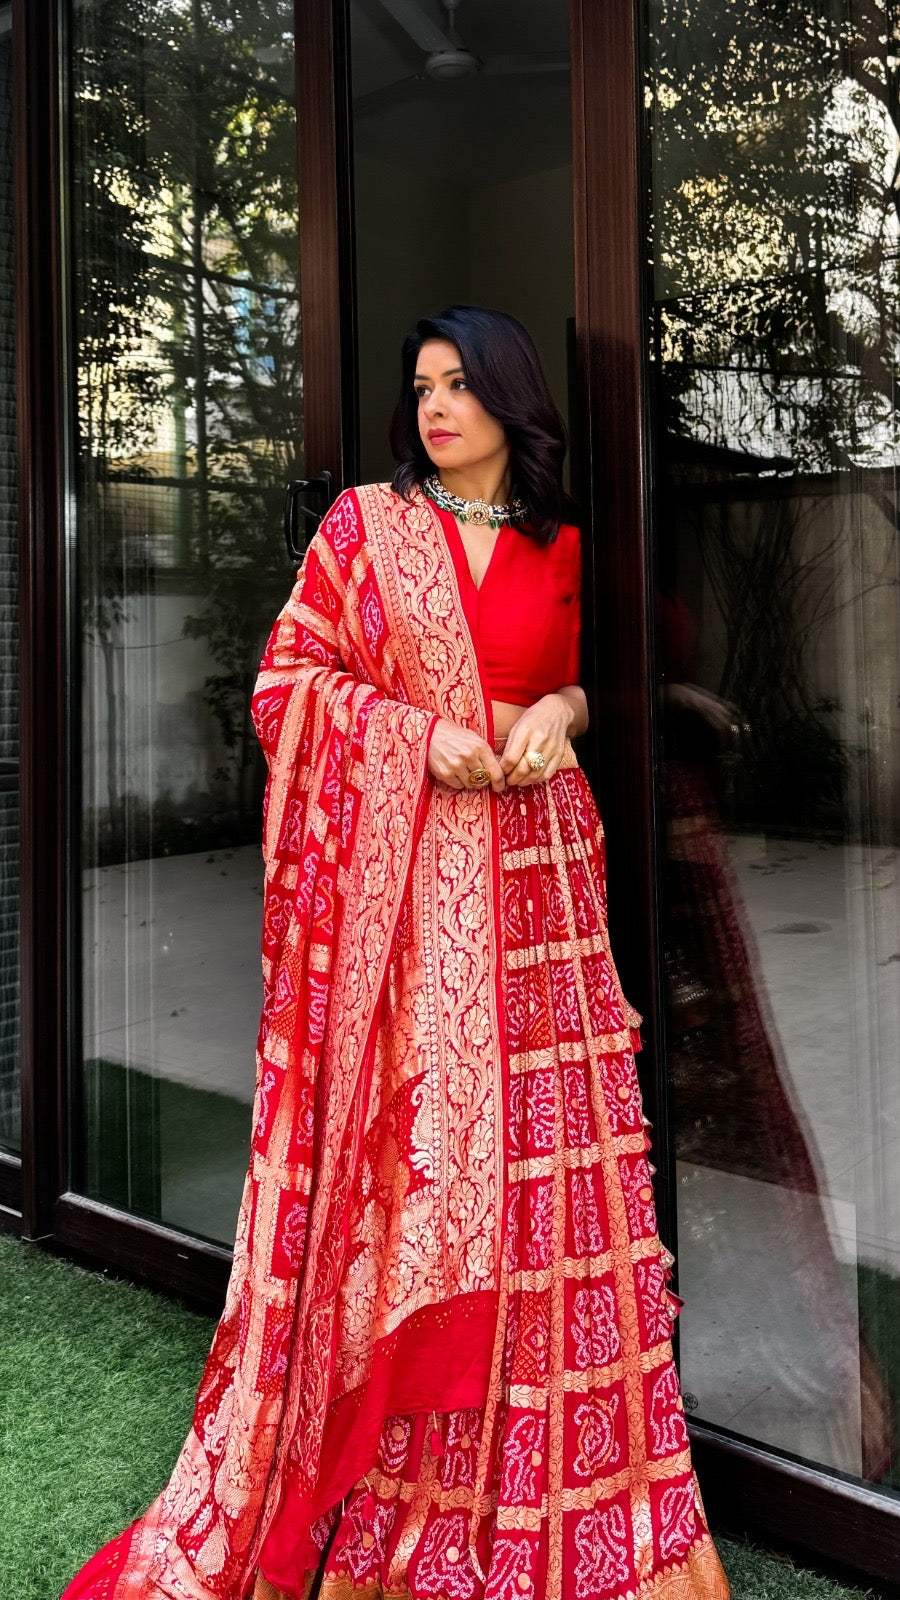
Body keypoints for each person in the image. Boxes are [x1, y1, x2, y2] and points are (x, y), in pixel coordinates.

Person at [61, 305, 731, 1600]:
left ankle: (564, 1490)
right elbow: (284, 684)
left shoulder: (565, 546)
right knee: (427, 1171)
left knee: (551, 1183)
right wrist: (418, 743)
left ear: (510, 403)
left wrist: (560, 707)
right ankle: (408, 1501)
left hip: (543, 895)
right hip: (413, 906)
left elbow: (599, 680)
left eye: (460, 384)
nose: (434, 408)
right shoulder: (364, 532)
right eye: (421, 386)